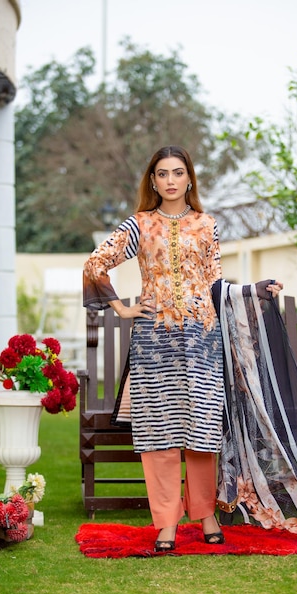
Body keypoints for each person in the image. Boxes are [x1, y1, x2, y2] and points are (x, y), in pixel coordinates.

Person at [83, 145, 282, 552]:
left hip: (202, 339)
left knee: (202, 431)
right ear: (152, 181)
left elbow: (215, 285)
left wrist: (252, 291)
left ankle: (206, 513)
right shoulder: (139, 225)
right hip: (155, 340)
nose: (170, 180)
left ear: (189, 178)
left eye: (177, 172)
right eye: (162, 174)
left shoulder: (207, 225)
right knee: (159, 433)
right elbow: (95, 263)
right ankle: (166, 523)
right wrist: (122, 308)